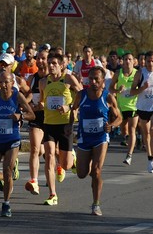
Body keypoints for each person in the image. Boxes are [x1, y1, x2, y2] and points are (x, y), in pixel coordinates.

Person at [0, 71, 35, 217]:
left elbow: (32, 114)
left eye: (7, 82)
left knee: (7, 172)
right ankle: (10, 173)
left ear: (12, 83)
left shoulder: (17, 96)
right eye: (2, 82)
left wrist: (20, 115)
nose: (4, 85)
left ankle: (6, 203)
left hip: (12, 139)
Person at [71, 66, 121, 216]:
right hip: (84, 137)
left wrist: (111, 126)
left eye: (96, 79)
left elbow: (119, 117)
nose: (92, 82)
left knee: (97, 171)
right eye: (90, 79)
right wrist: (69, 126)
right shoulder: (81, 95)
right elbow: (73, 110)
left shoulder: (108, 97)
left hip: (101, 137)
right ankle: (83, 162)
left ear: (102, 82)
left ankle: (96, 204)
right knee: (81, 174)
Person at [40, 53, 82, 205]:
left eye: (54, 63)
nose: (51, 66)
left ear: (61, 65)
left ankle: (72, 157)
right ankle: (52, 194)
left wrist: (69, 107)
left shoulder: (69, 79)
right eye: (49, 63)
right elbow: (43, 101)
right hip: (49, 123)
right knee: (49, 155)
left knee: (66, 165)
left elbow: (82, 94)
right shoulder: (43, 82)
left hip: (65, 124)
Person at [25, 49, 49, 195]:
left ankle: (66, 157)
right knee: (35, 148)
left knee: (46, 151)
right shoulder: (32, 79)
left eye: (43, 58)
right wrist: (28, 106)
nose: (40, 61)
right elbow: (28, 96)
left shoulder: (53, 79)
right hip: (36, 118)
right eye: (38, 58)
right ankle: (34, 181)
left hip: (52, 119)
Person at [110, 51, 138, 165]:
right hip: (121, 107)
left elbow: (142, 89)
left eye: (130, 59)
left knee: (132, 129)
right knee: (124, 131)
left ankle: (129, 155)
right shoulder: (118, 73)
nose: (127, 61)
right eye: (125, 59)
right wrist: (117, 90)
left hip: (133, 106)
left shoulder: (137, 74)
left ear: (134, 61)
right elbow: (111, 88)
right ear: (122, 62)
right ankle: (127, 139)